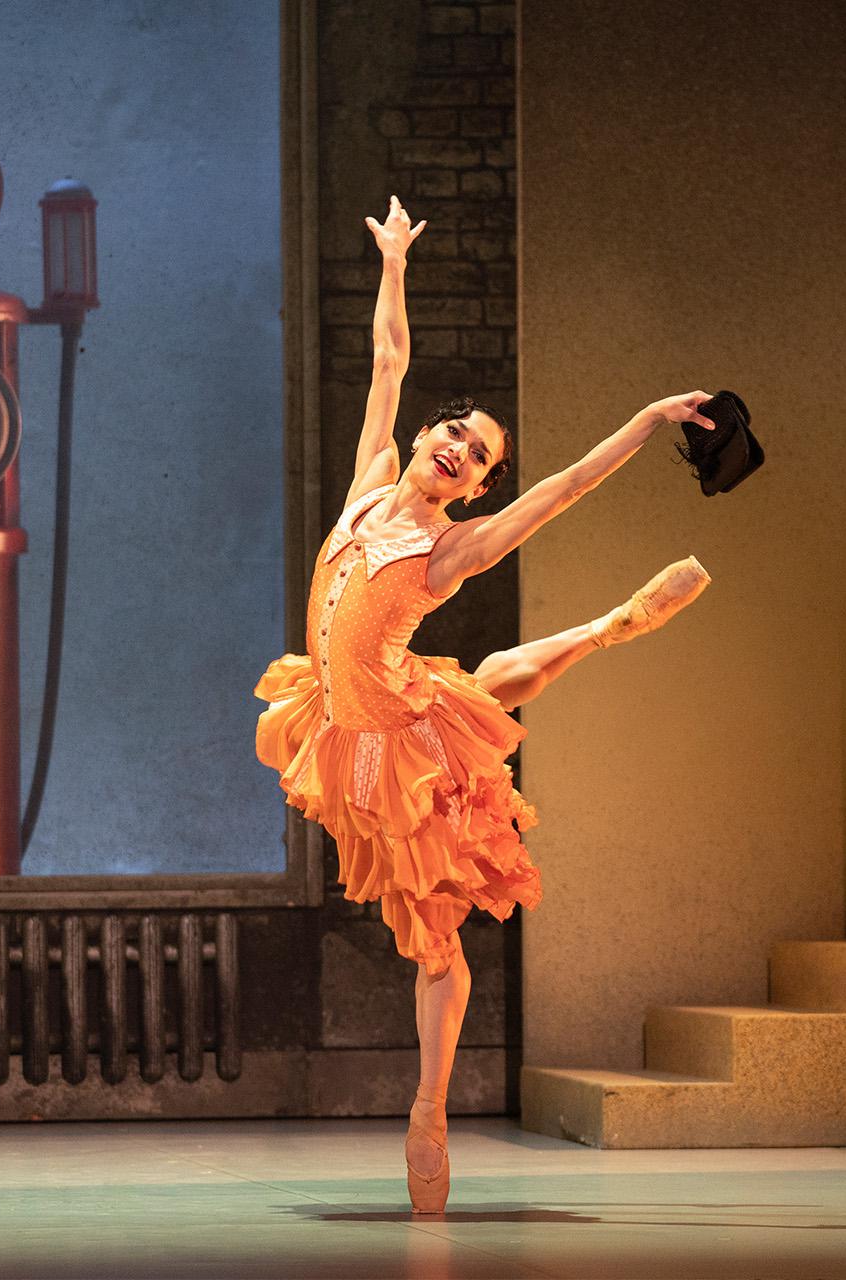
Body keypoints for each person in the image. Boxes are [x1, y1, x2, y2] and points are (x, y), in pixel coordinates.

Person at [253, 195, 716, 1213]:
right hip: (342, 729)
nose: (460, 449)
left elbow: (560, 490)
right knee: (489, 674)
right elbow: (386, 361)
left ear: (470, 490)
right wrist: (393, 262)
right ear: (428, 438)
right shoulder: (371, 481)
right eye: (456, 432)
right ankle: (604, 629)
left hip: (401, 736)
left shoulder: (452, 546)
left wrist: (645, 422)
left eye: (479, 457)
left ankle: (429, 1108)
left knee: (441, 938)